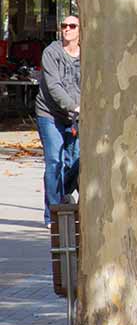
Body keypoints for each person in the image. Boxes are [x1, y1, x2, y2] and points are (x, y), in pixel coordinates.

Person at [37, 12, 79, 211]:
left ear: (81, 30)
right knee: (55, 161)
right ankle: (53, 212)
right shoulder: (51, 52)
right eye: (64, 26)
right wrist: (74, 106)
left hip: (77, 117)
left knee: (75, 163)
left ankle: (65, 204)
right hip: (50, 114)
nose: (67, 29)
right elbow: (54, 87)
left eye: (72, 26)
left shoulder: (89, 53)